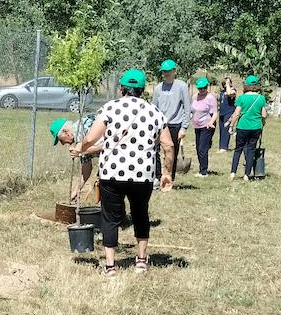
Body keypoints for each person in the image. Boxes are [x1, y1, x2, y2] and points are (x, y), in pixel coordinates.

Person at [73, 69, 168, 275]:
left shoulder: (110, 108)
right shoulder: (155, 112)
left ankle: (110, 266)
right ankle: (141, 261)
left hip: (112, 173)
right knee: (140, 214)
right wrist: (167, 172)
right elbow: (168, 146)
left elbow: (91, 138)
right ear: (143, 90)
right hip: (143, 174)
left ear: (121, 88)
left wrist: (80, 147)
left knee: (110, 218)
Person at [150, 59, 190, 190]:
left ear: (174, 71)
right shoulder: (158, 88)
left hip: (175, 124)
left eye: (168, 71)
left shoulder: (182, 86)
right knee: (153, 150)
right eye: (164, 71)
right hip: (160, 125)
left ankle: (169, 179)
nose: (166, 73)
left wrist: (184, 127)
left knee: (171, 153)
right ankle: (157, 177)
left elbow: (187, 108)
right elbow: (154, 108)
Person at [50, 116, 101, 203]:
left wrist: (81, 151)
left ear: (66, 132)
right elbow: (86, 170)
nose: (62, 144)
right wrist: (75, 192)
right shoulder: (78, 143)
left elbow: (108, 146)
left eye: (60, 140)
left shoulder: (81, 128)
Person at [229, 74, 269, 181]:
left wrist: (231, 125)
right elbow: (264, 115)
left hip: (242, 127)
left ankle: (233, 173)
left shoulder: (242, 98)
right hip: (256, 127)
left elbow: (237, 113)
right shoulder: (261, 98)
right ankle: (247, 175)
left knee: (238, 150)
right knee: (251, 150)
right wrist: (263, 122)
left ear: (246, 85)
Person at [189, 76, 219, 177]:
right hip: (197, 126)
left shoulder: (210, 98)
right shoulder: (194, 97)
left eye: (204, 88)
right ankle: (201, 168)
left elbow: (215, 113)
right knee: (198, 148)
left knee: (202, 149)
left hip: (207, 126)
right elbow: (192, 110)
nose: (202, 90)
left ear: (207, 87)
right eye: (200, 88)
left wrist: (211, 122)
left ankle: (203, 171)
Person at [218, 77, 237, 152]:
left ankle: (224, 147)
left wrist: (228, 84)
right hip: (222, 113)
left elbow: (229, 94)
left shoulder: (233, 90)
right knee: (221, 130)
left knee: (226, 129)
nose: (225, 84)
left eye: (228, 82)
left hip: (229, 112)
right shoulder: (222, 91)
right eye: (224, 82)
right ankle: (221, 146)